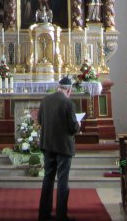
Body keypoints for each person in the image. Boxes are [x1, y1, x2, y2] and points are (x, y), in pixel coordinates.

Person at [37, 76, 81, 221]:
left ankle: (44, 214)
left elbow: (39, 121)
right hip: (63, 147)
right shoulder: (68, 103)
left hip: (47, 144)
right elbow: (73, 127)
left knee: (48, 178)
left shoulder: (45, 100)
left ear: (58, 87)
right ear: (68, 90)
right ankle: (61, 215)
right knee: (62, 180)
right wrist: (78, 126)